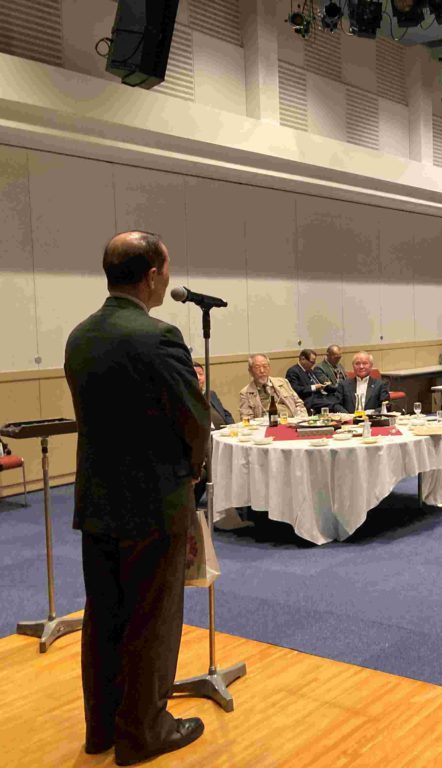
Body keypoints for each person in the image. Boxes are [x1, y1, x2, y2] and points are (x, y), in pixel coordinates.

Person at [64, 231, 208, 765]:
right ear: (151, 276)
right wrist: (194, 470)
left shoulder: (80, 336)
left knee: (104, 615)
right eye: (166, 270)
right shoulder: (159, 337)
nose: (167, 279)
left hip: (97, 498)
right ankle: (144, 732)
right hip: (153, 499)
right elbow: (193, 419)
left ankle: (101, 728)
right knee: (152, 617)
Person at [239, 354, 307, 420]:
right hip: (266, 425)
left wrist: (301, 419)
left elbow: (299, 403)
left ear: (269, 368)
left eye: (265, 366)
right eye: (257, 367)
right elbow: (246, 418)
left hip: (291, 422)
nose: (262, 371)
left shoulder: (283, 382)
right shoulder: (245, 393)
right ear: (250, 371)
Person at [286, 348, 343, 414]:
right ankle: (349, 418)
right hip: (309, 399)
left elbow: (317, 384)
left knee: (341, 399)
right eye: (312, 362)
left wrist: (324, 385)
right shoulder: (293, 371)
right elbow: (295, 390)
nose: (313, 364)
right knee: (334, 405)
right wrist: (314, 387)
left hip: (320, 396)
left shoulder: (309, 370)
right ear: (303, 359)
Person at [193, 363, 233, 429]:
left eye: (201, 374)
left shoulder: (211, 394)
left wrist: (231, 427)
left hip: (224, 431)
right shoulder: (188, 399)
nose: (198, 377)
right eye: (194, 374)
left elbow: (225, 414)